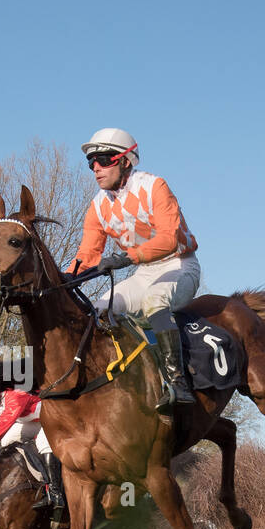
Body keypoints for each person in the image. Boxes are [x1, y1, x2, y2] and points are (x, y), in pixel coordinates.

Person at [70, 127, 202, 412]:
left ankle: (177, 383)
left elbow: (169, 238)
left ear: (125, 161)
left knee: (155, 300)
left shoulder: (155, 186)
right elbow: (88, 255)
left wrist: (126, 258)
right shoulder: (97, 206)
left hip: (179, 266)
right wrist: (66, 279)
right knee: (98, 311)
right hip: (143, 274)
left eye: (103, 159)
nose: (95, 168)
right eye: (91, 162)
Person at [0, 388, 66, 522]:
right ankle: (32, 473)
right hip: (34, 422)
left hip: (51, 417)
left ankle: (55, 493)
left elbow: (7, 420)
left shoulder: (15, 395)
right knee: (6, 439)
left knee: (43, 442)